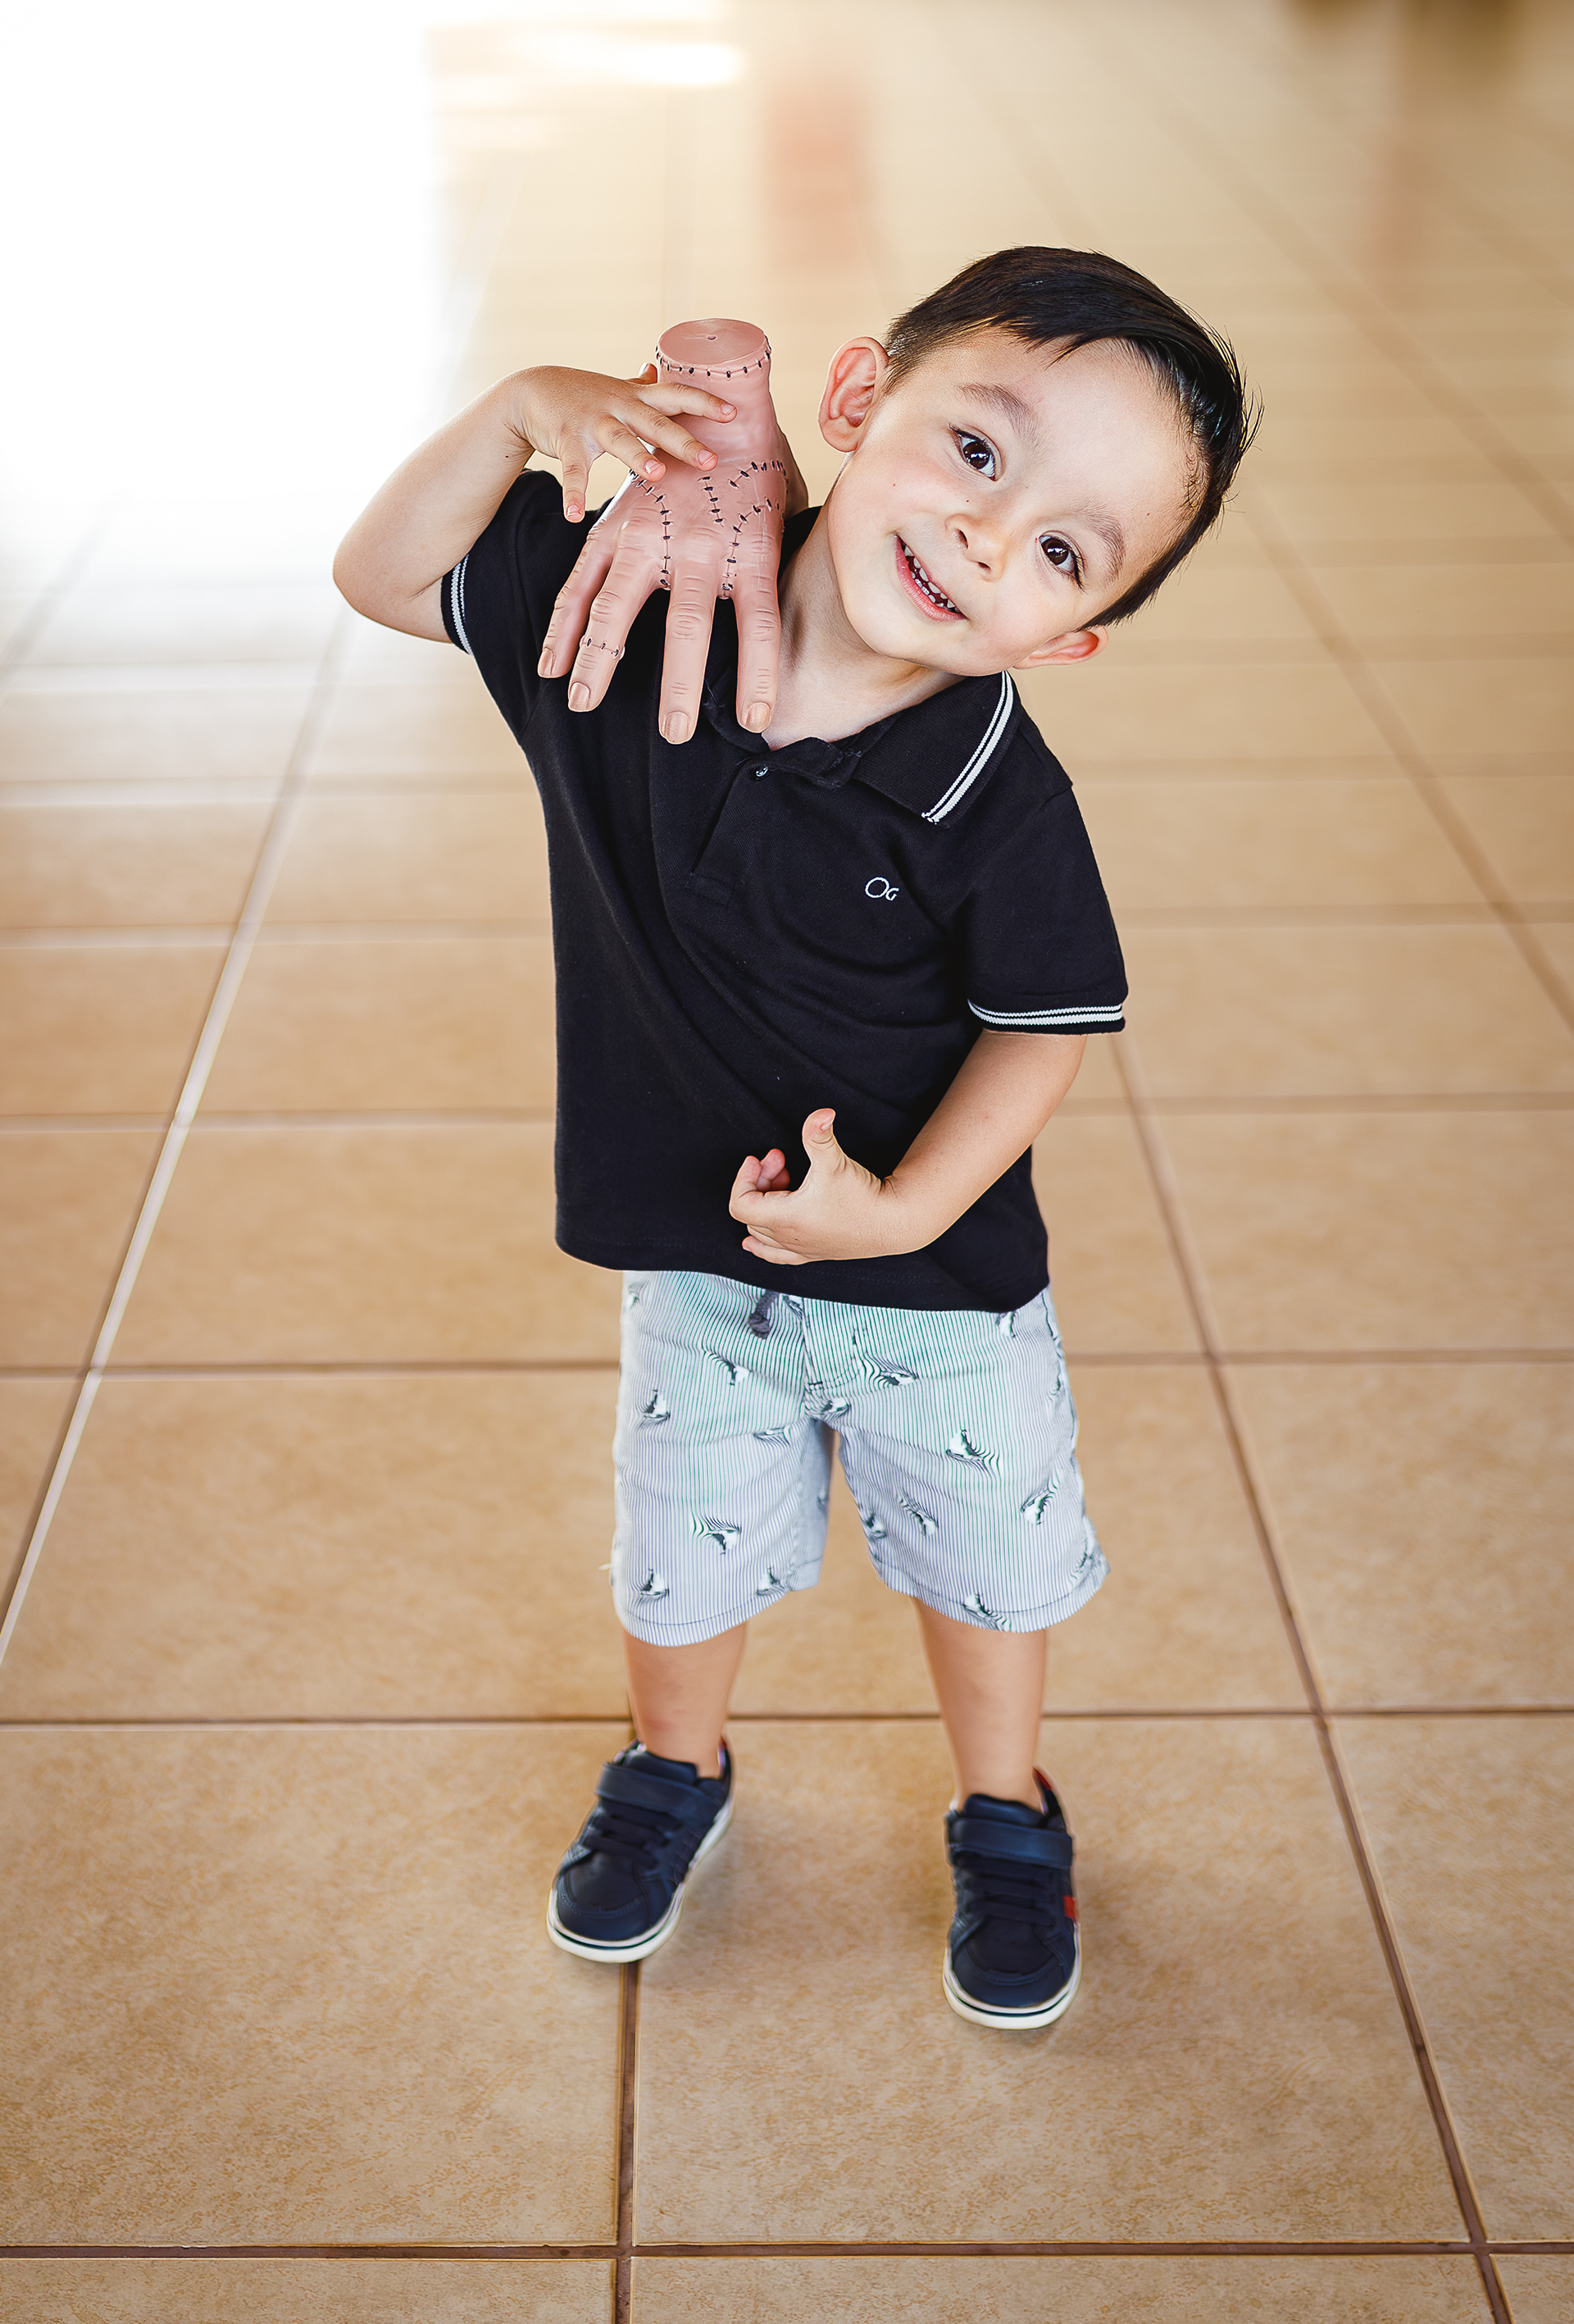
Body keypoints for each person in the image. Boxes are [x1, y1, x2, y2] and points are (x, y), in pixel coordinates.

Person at [334, 246, 1256, 2030]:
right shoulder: (629, 621)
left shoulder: (997, 792)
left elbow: (1048, 1030)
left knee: (984, 1570)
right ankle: (672, 1769)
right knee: (679, 1555)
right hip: (700, 1253)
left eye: (1064, 551)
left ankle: (1007, 1810)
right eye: (978, 452)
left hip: (943, 1284)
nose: (988, 535)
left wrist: (906, 1209)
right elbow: (383, 575)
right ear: (855, 399)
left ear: (1067, 640)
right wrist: (519, 411)